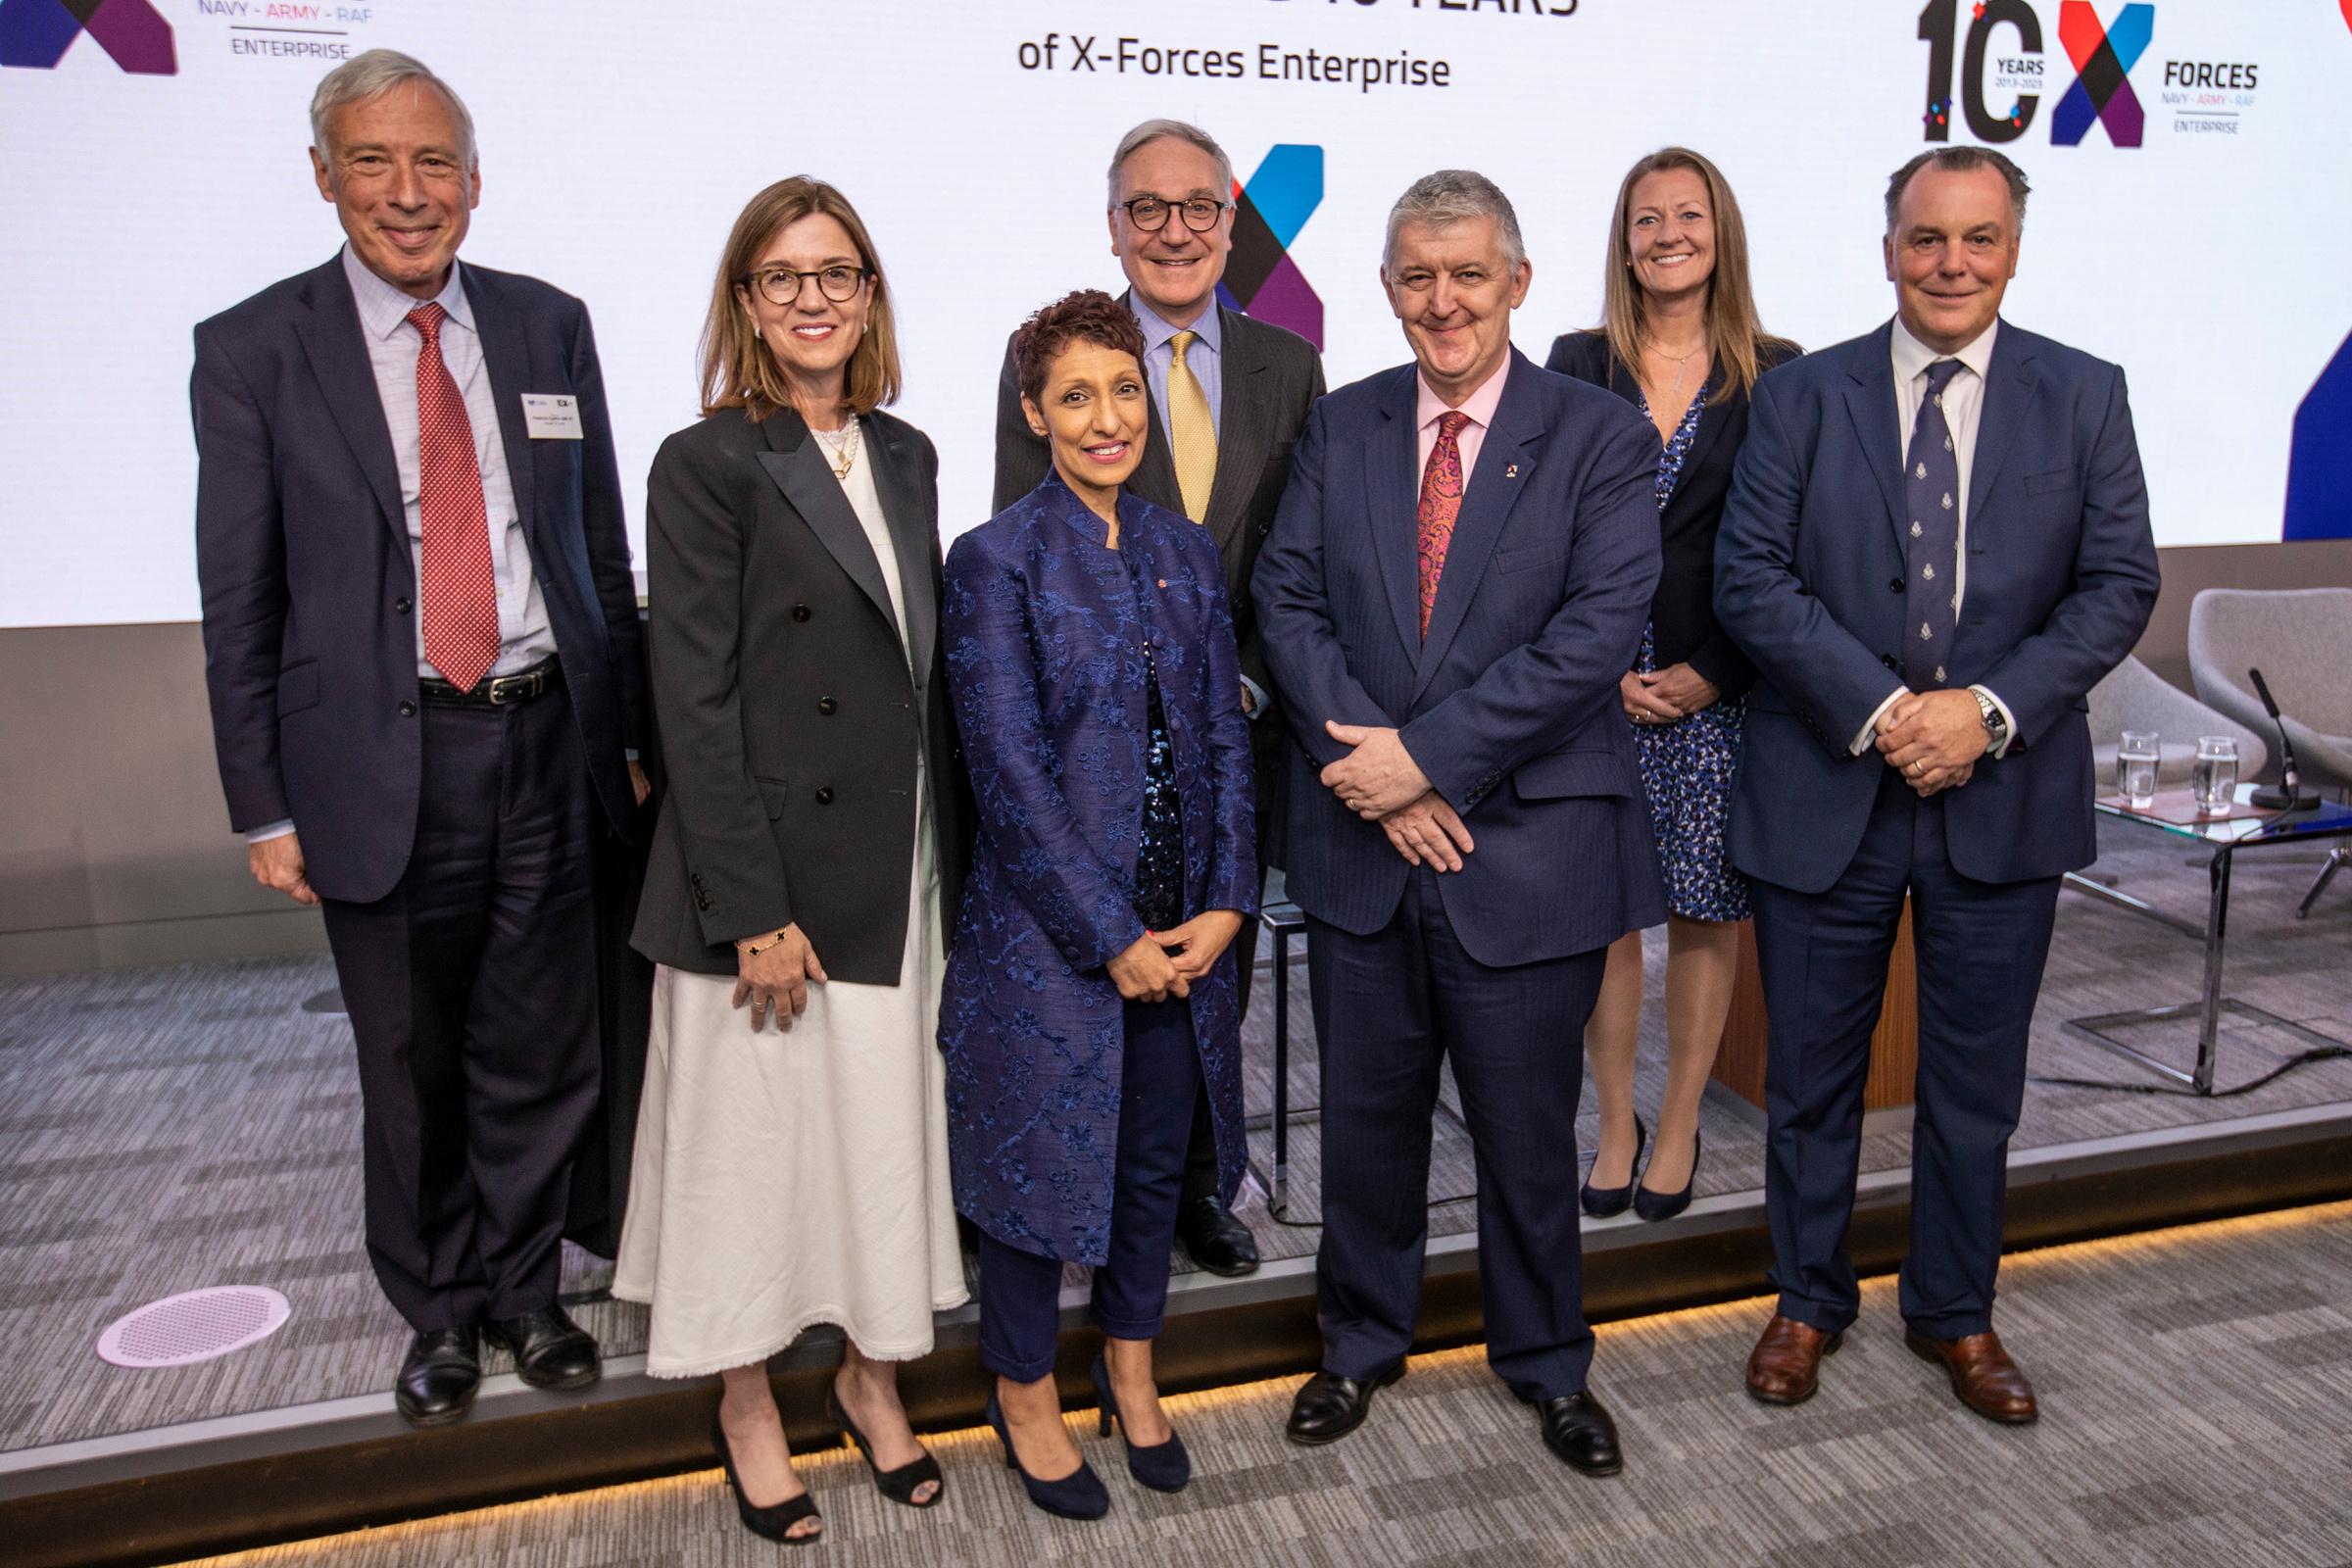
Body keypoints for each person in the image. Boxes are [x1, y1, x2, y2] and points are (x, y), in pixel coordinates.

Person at [191, 50, 649, 1429]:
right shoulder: (255, 348)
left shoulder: (547, 324)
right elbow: (241, 597)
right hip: (383, 757)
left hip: (546, 734)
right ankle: (441, 1307)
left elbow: (596, 549)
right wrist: (262, 804)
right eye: (374, 162)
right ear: (324, 177)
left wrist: (625, 736)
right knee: (409, 1055)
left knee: (542, 1038)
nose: (408, 192)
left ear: (474, 179)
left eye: (434, 160)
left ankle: (525, 1288)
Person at [1714, 147, 2158, 1421]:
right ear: (1888, 249)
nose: (1950, 263)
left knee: (1976, 1090)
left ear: (2013, 249)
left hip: (2002, 799)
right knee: (1810, 1082)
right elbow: (1750, 579)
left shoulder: (2084, 394)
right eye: (1926, 238)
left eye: (1978, 239)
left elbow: (2118, 584)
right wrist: (1888, 712)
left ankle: (1956, 1312)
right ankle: (1807, 1299)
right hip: (1828, 787)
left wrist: (1988, 713)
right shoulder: (1800, 398)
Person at [1254, 172, 1664, 1475]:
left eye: (1469, 274)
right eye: (1418, 277)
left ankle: (1547, 1361)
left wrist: (1424, 764)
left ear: (1518, 283)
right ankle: (1359, 1342)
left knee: (1526, 1135)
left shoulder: (1599, 435)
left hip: (1526, 849)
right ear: (1388, 289)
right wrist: (1377, 770)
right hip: (1362, 848)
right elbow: (1286, 597)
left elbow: (1594, 635)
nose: (1444, 302)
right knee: (1364, 1124)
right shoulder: (1346, 422)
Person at [614, 177, 968, 1546]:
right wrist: (750, 910)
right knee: (750, 1159)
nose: (813, 298)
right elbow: (692, 704)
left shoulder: (910, 452)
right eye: (783, 277)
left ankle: (873, 1377)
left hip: (894, 863)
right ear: (747, 304)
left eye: (837, 273)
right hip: (759, 878)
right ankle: (749, 1401)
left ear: (869, 295)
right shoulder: (704, 461)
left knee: (878, 1140)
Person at [943, 289, 1258, 1520]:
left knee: (1149, 1165)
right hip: (1048, 938)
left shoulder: (1186, 550)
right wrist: (1109, 933)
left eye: (1124, 390)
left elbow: (1227, 739)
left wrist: (1227, 901)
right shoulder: (995, 560)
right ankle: (1022, 1389)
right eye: (1075, 396)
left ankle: (1130, 1366)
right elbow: (1008, 777)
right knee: (1035, 1174)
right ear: (1035, 413)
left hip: (1186, 927)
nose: (1107, 417)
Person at [992, 119, 1326, 1279]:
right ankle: (1078, 1184)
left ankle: (1193, 1186)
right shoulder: (1051, 355)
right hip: (1095, 745)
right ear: (1113, 224)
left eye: (1198, 207)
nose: (1174, 230)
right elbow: (1023, 542)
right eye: (1148, 207)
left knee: (1212, 977)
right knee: (1090, 971)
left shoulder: (1290, 360)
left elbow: (1301, 554)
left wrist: (1242, 683)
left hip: (1243, 732)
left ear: (1232, 223)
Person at [1545, 148, 1799, 1223]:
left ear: (1721, 232)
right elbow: (1543, 529)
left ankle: (1683, 1117)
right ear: (1624, 240)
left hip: (1717, 693)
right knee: (1604, 918)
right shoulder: (1575, 361)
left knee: (1705, 912)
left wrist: (1717, 672)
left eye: (1688, 215)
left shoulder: (1780, 371)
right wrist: (1593, 665)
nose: (1667, 236)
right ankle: (1615, 1121)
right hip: (1592, 692)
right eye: (1646, 219)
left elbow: (1794, 542)